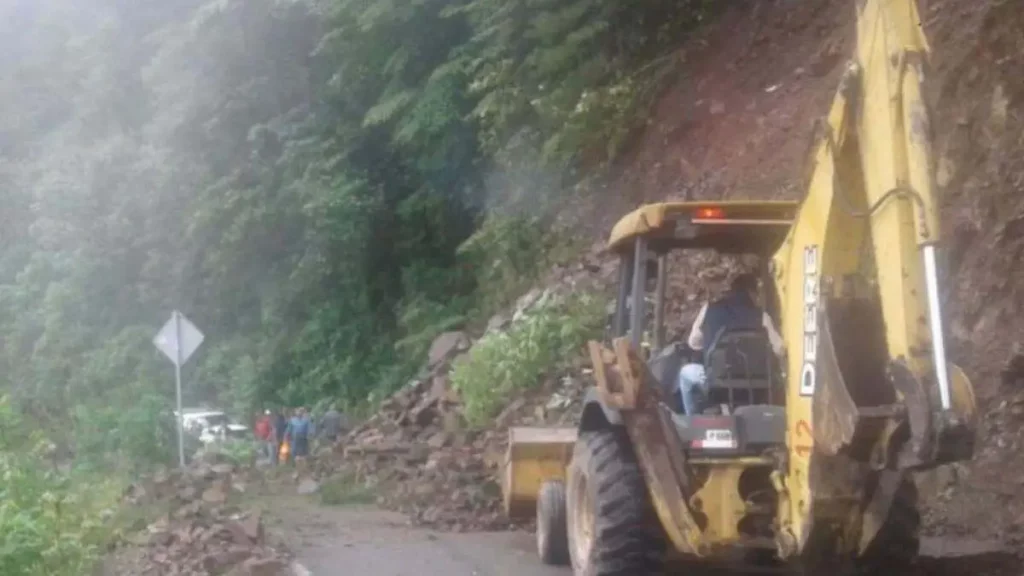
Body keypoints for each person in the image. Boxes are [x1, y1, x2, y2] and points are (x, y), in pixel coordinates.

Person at [677, 272, 784, 415]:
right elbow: (780, 349)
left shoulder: (709, 309)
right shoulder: (762, 316)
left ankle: (694, 420)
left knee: (686, 372)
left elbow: (693, 343)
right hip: (756, 384)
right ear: (752, 293)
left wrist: (710, 339)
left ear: (732, 290)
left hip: (717, 382)